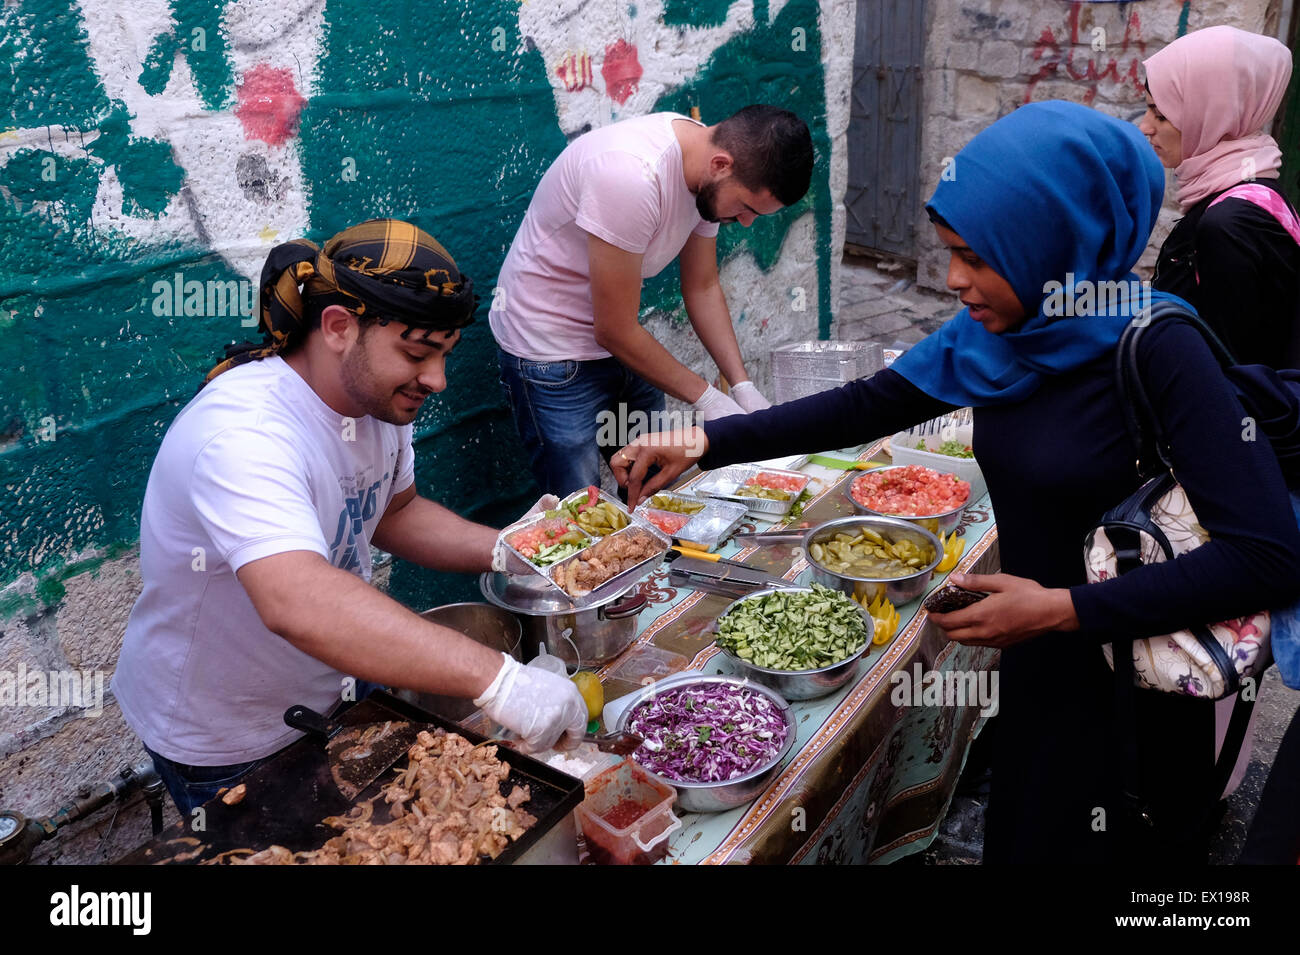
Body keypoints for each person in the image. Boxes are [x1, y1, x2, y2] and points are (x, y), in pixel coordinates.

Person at [612, 102, 1300, 863]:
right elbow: (868, 403)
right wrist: (710, 440)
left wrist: (1064, 609)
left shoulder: (1162, 351)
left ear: (1054, 242)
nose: (952, 280)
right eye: (949, 251)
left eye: (976, 256)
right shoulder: (1001, 332)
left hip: (1133, 690)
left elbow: (1267, 553)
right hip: (1038, 668)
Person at [113, 220, 587, 815]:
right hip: (231, 735)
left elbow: (395, 512)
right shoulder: (243, 433)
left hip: (340, 683)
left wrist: (511, 547)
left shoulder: (378, 402)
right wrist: (499, 679)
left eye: (444, 354)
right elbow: (298, 600)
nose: (436, 380)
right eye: (418, 353)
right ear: (338, 326)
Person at [491, 105, 814, 495]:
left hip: (622, 338)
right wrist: (708, 398)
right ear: (721, 164)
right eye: (746, 208)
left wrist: (742, 385)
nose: (746, 222)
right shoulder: (631, 176)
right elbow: (613, 329)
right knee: (577, 506)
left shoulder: (708, 173)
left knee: (654, 484)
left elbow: (702, 287)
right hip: (550, 352)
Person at [1142, 24, 1300, 368]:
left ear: (1210, 112)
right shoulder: (1254, 189)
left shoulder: (1231, 223)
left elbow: (1229, 371)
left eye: (1161, 113)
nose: (1145, 126)